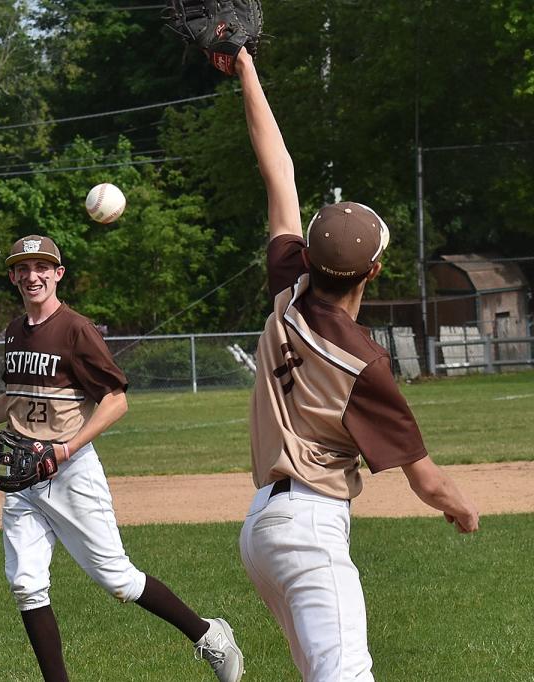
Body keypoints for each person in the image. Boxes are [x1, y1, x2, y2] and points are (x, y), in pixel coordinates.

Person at [233, 47, 480, 681]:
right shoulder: (365, 364)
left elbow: (279, 173)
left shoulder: (288, 288)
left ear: (310, 257)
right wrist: (461, 507)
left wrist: (244, 65)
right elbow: (425, 481)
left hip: (261, 527)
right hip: (310, 527)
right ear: (374, 271)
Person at [0, 235, 243, 682]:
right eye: (23, 268)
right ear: (12, 276)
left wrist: (67, 448)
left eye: (42, 266)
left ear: (58, 274)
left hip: (70, 473)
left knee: (118, 580)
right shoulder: (14, 330)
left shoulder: (76, 330)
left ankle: (208, 634)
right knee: (25, 584)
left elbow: (116, 401)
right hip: (22, 471)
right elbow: (14, 400)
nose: (32, 275)